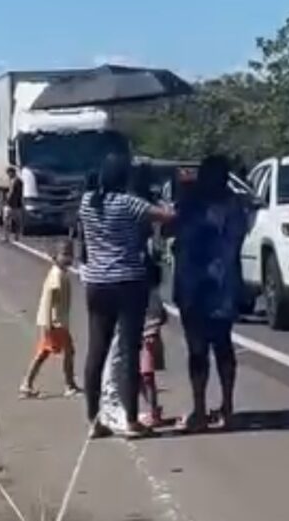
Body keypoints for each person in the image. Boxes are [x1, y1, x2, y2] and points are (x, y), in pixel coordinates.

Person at [79, 153, 175, 440]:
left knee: (96, 350)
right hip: (128, 282)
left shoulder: (88, 202)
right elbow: (166, 216)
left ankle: (94, 418)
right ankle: (131, 418)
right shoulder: (128, 203)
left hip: (97, 283)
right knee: (130, 350)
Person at [174, 154, 249, 432]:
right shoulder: (233, 204)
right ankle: (226, 407)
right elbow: (239, 238)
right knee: (222, 344)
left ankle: (200, 409)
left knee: (199, 348)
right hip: (222, 284)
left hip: (197, 284)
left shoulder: (191, 203)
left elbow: (177, 235)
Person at [19, 239, 79, 397]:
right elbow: (48, 300)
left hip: (59, 322)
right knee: (57, 352)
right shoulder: (56, 276)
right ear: (55, 256)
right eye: (65, 254)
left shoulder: (61, 274)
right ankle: (68, 385)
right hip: (55, 323)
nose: (69, 258)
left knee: (52, 352)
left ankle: (27, 384)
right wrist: (47, 323)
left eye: (71, 255)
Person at [140, 254, 169, 427]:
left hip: (148, 339)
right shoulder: (148, 295)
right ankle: (153, 408)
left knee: (146, 377)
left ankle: (153, 411)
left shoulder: (150, 296)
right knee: (142, 377)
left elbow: (161, 316)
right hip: (144, 339)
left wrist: (152, 328)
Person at [3, 166, 23, 242]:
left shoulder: (17, 181)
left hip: (15, 205)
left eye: (9, 173)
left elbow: (14, 193)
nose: (8, 174)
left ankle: (14, 237)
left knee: (15, 222)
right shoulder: (12, 180)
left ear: (12, 172)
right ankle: (9, 237)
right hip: (12, 205)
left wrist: (8, 199)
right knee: (7, 221)